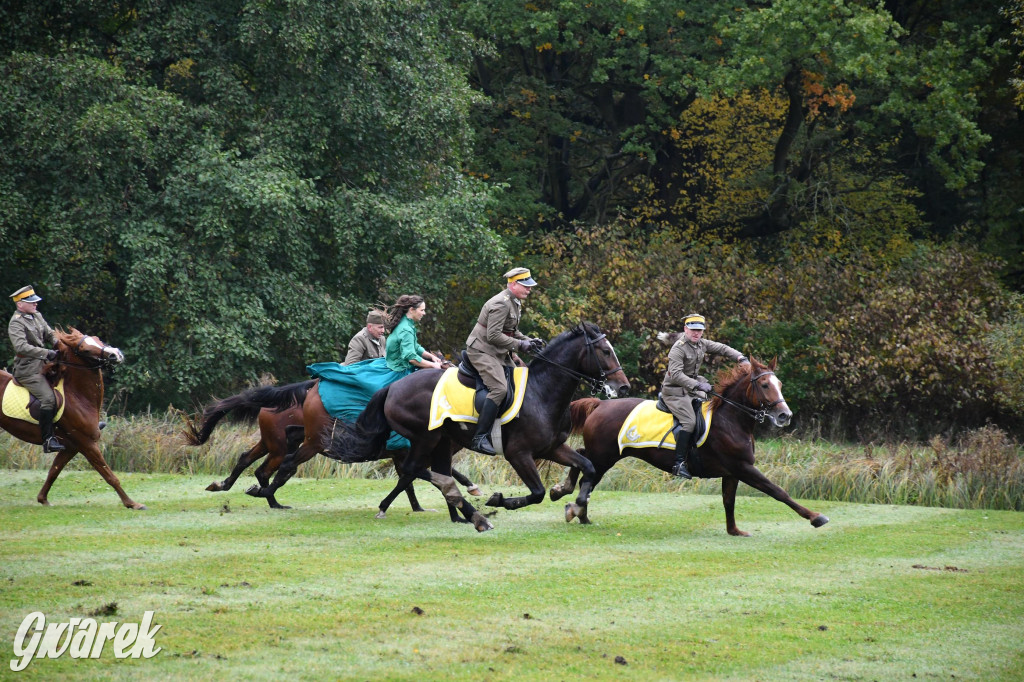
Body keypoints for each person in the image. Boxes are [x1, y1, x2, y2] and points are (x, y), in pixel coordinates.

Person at [464, 267, 545, 455]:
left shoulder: (515, 301)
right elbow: (493, 336)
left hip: (497, 351)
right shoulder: (500, 303)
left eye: (530, 286)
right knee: (499, 389)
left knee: (518, 383)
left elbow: (511, 331)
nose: (529, 289)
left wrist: (528, 340)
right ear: (513, 284)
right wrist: (520, 345)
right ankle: (480, 437)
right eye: (526, 286)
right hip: (482, 351)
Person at [661, 313, 749, 479]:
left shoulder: (701, 344)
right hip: (675, 391)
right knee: (689, 422)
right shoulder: (678, 348)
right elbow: (676, 375)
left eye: (699, 330)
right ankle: (679, 463)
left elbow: (722, 348)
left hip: (692, 388)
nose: (696, 333)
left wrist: (741, 357)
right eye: (693, 329)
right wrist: (698, 385)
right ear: (685, 329)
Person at [7, 285, 64, 453]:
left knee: (68, 387)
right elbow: (21, 347)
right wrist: (47, 353)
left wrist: (58, 344)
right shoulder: (16, 322)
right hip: (28, 369)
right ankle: (48, 440)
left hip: (44, 365)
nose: (35, 304)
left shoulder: (36, 315)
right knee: (48, 399)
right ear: (20, 305)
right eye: (31, 302)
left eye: (35, 301)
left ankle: (81, 427)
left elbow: (49, 333)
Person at [385, 295, 444, 372]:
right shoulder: (406, 329)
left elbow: (414, 346)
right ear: (412, 310)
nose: (424, 313)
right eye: (422, 310)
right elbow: (411, 358)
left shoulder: (405, 323)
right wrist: (433, 365)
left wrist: (431, 356)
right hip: (399, 370)